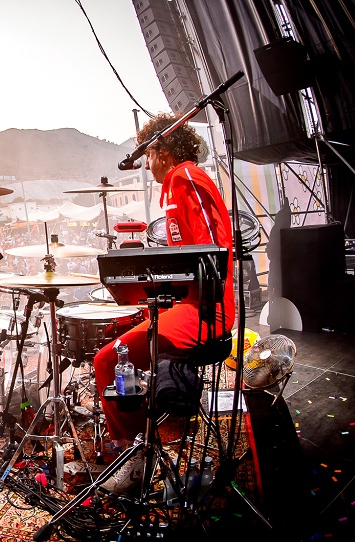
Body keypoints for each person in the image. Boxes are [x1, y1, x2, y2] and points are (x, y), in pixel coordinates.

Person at [92, 113, 235, 493]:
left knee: (107, 360)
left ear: (162, 150)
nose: (145, 164)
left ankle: (136, 457)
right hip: (189, 305)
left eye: (149, 154)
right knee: (117, 337)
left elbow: (212, 254)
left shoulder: (186, 178)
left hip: (207, 310)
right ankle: (144, 435)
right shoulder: (175, 183)